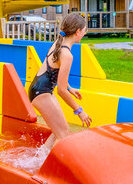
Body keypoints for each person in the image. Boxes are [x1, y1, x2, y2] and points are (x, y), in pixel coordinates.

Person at [26, 11, 92, 150]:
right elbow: (60, 90)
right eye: (84, 30)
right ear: (78, 31)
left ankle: (39, 160)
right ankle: (46, 166)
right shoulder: (67, 55)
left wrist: (70, 88)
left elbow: (56, 73)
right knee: (64, 135)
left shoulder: (59, 42)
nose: (85, 33)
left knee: (60, 131)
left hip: (40, 89)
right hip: (41, 92)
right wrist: (79, 111)